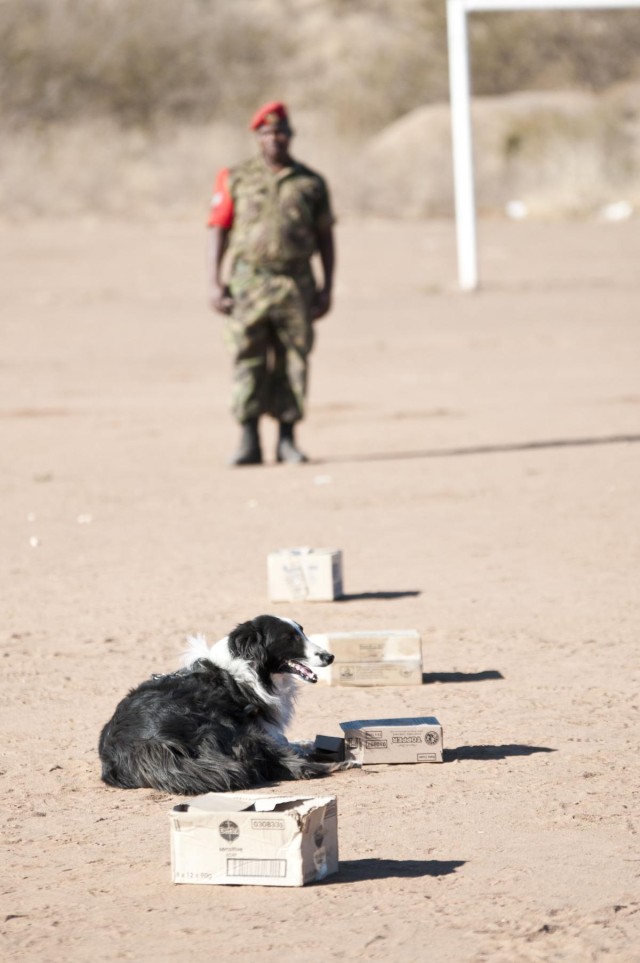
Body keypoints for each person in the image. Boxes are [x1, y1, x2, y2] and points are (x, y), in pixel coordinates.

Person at [207, 101, 335, 466]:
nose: (274, 138)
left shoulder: (310, 183)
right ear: (257, 138)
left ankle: (287, 440)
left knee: (293, 359)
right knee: (248, 358)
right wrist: (214, 283)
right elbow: (218, 230)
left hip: (296, 282)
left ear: (290, 136)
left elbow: (326, 236)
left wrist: (328, 287)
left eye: (280, 132)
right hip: (249, 283)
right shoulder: (236, 178)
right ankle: (248, 439)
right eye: (267, 133)